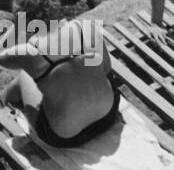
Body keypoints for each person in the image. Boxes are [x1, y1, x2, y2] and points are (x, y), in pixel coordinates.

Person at [0, 14, 118, 149]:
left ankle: (3, 101)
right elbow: (107, 69)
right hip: (108, 117)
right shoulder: (86, 29)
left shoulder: (28, 51)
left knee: (24, 74)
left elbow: (3, 59)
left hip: (63, 139)